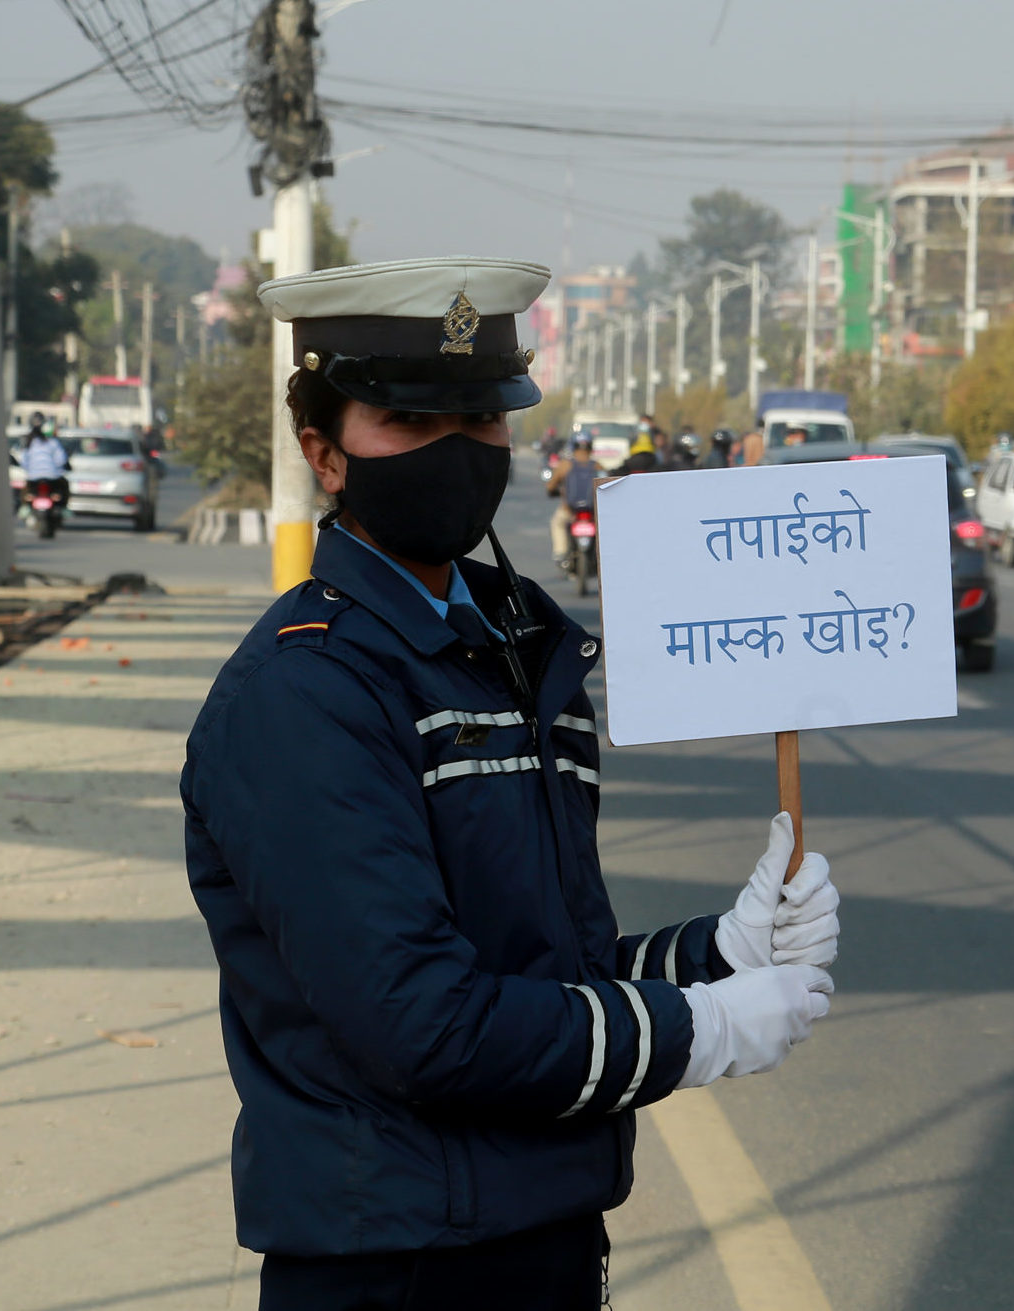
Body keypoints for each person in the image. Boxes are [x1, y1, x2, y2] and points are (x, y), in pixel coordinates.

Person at [182, 257, 841, 1311]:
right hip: (396, 1267)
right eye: (407, 423)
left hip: (537, 1235)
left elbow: (540, 965)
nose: (456, 450)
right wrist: (693, 1031)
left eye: (481, 419)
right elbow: (425, 1025)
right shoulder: (302, 696)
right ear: (324, 452)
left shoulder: (515, 649)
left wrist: (715, 955)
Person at [546, 431, 599, 567]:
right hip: (594, 512)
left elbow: (551, 486)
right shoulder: (597, 466)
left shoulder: (565, 465)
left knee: (557, 523)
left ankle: (561, 553)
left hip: (570, 510)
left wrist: (553, 491)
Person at [19, 410, 70, 503]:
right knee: (62, 488)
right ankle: (64, 509)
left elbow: (23, 462)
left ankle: (24, 508)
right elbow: (61, 460)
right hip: (53, 477)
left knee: (26, 493)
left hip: (32, 477)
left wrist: (31, 470)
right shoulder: (52, 441)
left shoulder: (28, 442)